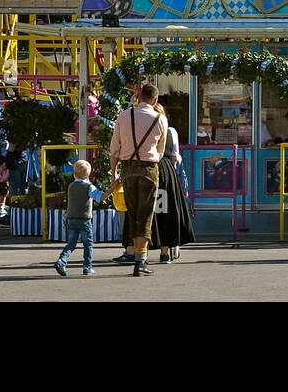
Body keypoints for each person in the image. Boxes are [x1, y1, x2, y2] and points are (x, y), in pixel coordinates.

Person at [108, 81, 167, 276]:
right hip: (149, 169)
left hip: (127, 169)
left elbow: (114, 150)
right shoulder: (160, 119)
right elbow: (160, 152)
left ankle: (134, 255)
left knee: (132, 214)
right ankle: (141, 261)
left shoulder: (123, 116)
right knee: (146, 215)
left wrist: (114, 173)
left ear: (138, 98)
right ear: (155, 100)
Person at [120, 112, 195, 264]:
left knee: (142, 211)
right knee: (166, 212)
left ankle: (139, 252)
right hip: (165, 169)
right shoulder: (169, 130)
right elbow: (174, 156)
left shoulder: (136, 126)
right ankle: (164, 253)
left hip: (143, 167)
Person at [54, 159, 102, 276]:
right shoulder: (89, 187)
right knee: (88, 244)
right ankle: (87, 267)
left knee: (71, 243)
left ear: (74, 174)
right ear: (89, 174)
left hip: (71, 218)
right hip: (84, 219)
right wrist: (111, 190)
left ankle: (62, 260)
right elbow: (100, 197)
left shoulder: (71, 186)